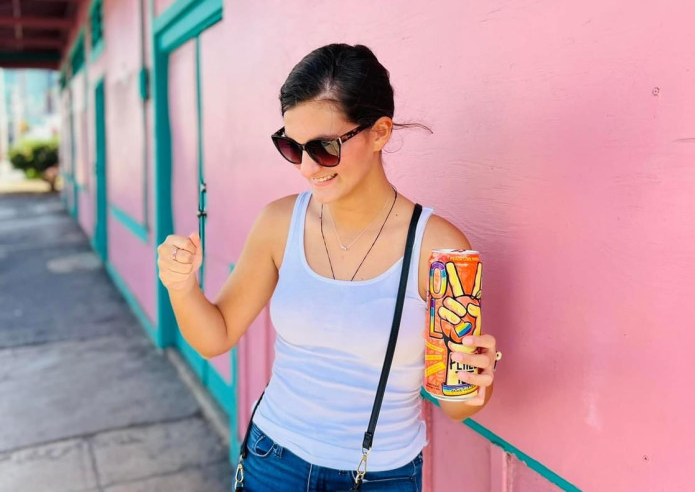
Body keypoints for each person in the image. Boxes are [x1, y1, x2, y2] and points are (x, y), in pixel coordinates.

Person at [157, 43, 499, 491]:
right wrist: (181, 286)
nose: (306, 167)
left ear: (379, 132)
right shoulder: (280, 223)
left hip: (380, 475)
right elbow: (216, 335)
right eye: (291, 146)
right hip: (273, 459)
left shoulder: (438, 248)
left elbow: (457, 404)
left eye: (323, 147)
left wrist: (478, 378)